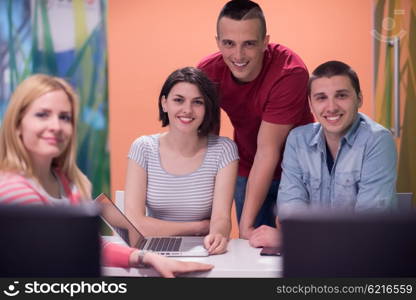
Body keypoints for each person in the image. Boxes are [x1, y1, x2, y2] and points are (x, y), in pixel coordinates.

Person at [0, 74, 213, 278]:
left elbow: (85, 244)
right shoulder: (13, 191)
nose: (56, 126)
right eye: (42, 115)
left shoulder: (63, 181)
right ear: (18, 123)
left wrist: (146, 257)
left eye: (64, 117)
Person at [249, 60, 398, 248]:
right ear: (310, 104)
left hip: (366, 259)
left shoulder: (378, 141)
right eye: (321, 98)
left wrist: (290, 239)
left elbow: (368, 226)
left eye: (341, 95)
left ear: (359, 99)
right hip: (311, 257)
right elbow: (289, 215)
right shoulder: (298, 140)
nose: (331, 107)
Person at [197, 0, 314, 239]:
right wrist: (212, 219)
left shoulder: (290, 72)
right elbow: (210, 144)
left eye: (249, 44)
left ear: (265, 42)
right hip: (247, 167)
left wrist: (245, 227)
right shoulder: (208, 73)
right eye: (229, 43)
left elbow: (268, 149)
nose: (238, 55)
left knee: (299, 251)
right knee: (251, 250)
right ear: (218, 42)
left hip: (298, 172)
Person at [124, 67, 239, 255]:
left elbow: (221, 218)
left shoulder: (224, 149)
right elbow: (135, 224)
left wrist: (218, 233)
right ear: (164, 103)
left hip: (204, 251)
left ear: (207, 107)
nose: (187, 110)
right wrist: (199, 227)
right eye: (178, 100)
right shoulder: (143, 147)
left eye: (197, 102)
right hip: (155, 253)